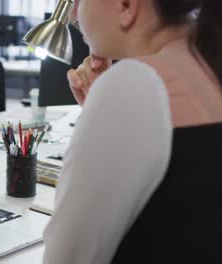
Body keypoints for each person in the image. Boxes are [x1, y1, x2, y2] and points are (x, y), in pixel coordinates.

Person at [43, 0, 222, 263]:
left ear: (126, 6)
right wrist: (99, 114)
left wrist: (105, 107)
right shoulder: (208, 66)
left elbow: (66, 257)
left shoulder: (134, 84)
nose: (72, 14)